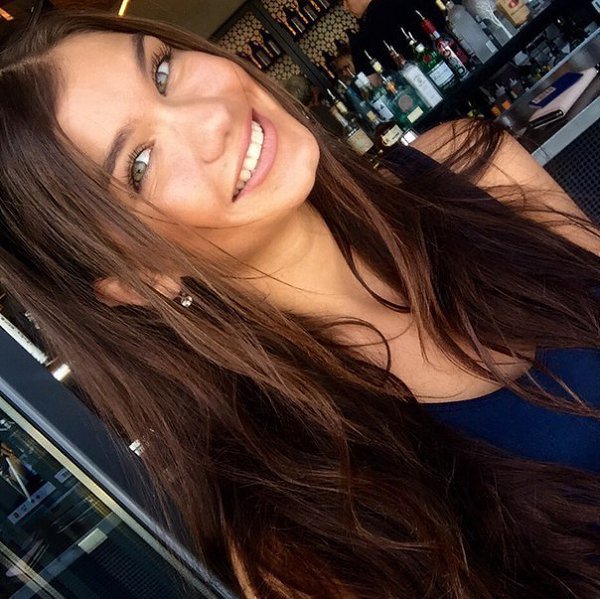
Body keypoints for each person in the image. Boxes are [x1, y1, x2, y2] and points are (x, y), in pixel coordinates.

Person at [1, 7, 600, 599]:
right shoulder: (291, 535)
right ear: (139, 279)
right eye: (140, 164)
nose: (212, 115)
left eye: (162, 71)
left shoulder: (471, 168)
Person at [342, 0, 447, 75]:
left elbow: (376, 82)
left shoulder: (371, 29)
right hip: (450, 50)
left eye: (346, 0)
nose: (345, 7)